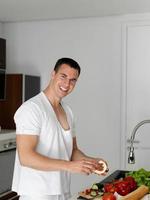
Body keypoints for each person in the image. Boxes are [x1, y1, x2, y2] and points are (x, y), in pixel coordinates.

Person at [12, 58, 108, 200]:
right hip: (37, 193)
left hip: (62, 191)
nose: (67, 84)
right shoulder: (31, 109)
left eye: (73, 80)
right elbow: (26, 157)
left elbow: (72, 150)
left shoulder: (68, 111)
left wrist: (90, 163)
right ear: (53, 74)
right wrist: (69, 166)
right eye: (63, 76)